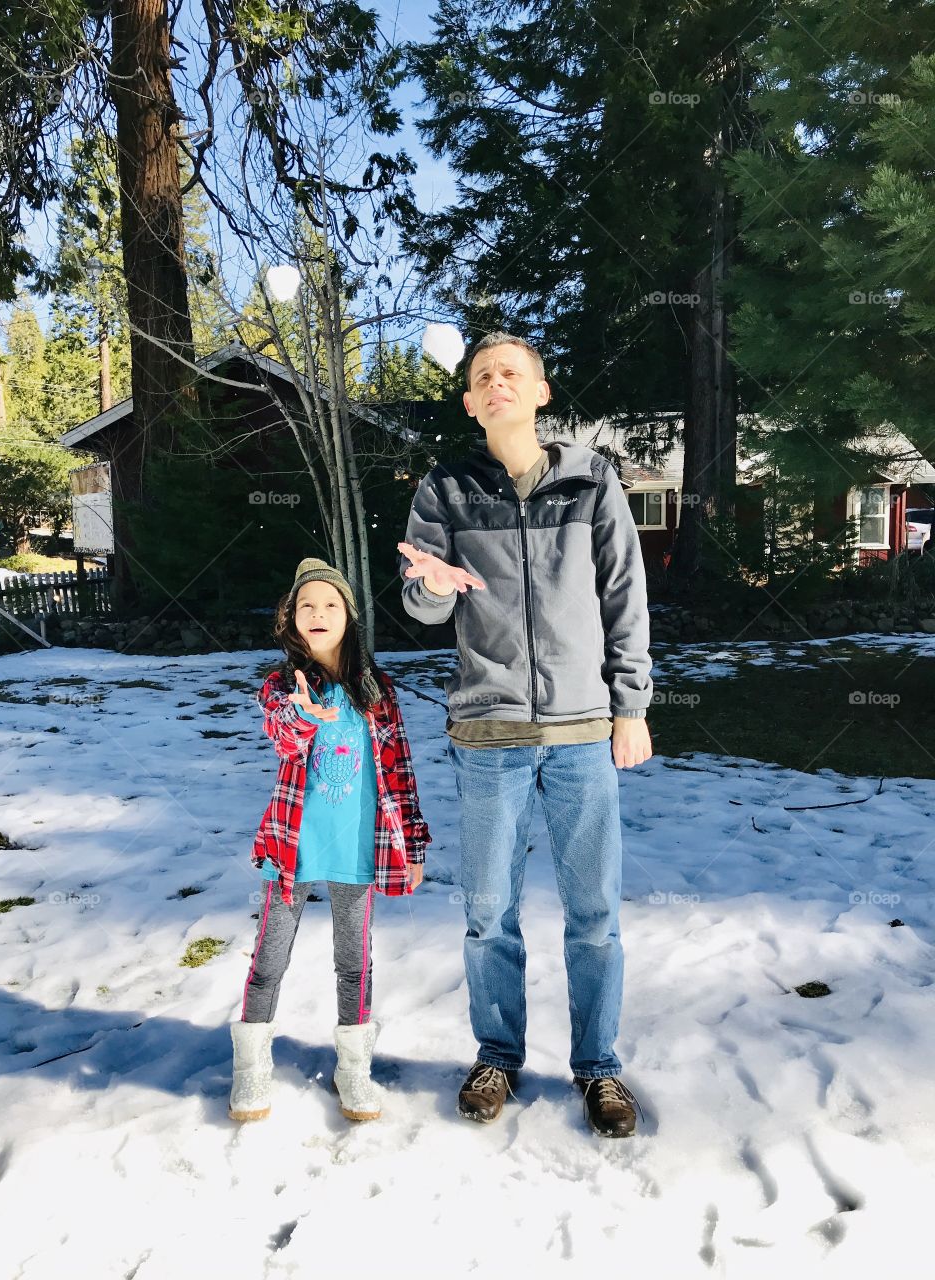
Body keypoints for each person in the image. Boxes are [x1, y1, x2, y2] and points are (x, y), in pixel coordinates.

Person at [398, 331, 653, 1138]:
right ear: (470, 402)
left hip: (583, 730)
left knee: (594, 915)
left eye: (513, 372)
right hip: (488, 731)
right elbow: (421, 605)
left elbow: (624, 596)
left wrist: (632, 704)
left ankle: (599, 1069)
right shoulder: (445, 489)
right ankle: (497, 1054)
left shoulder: (590, 480)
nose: (498, 382)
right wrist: (432, 588)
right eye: (483, 376)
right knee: (487, 911)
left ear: (540, 392)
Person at [228, 557, 430, 1124]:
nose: (318, 614)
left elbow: (401, 771)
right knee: (269, 958)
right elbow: (281, 735)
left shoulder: (377, 689)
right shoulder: (282, 686)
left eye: (330, 605)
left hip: (360, 848)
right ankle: (251, 1069)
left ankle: (353, 1070)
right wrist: (305, 716)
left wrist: (411, 844)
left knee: (354, 961)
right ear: (291, 619)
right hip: (293, 846)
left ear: (349, 616)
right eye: (306, 606)